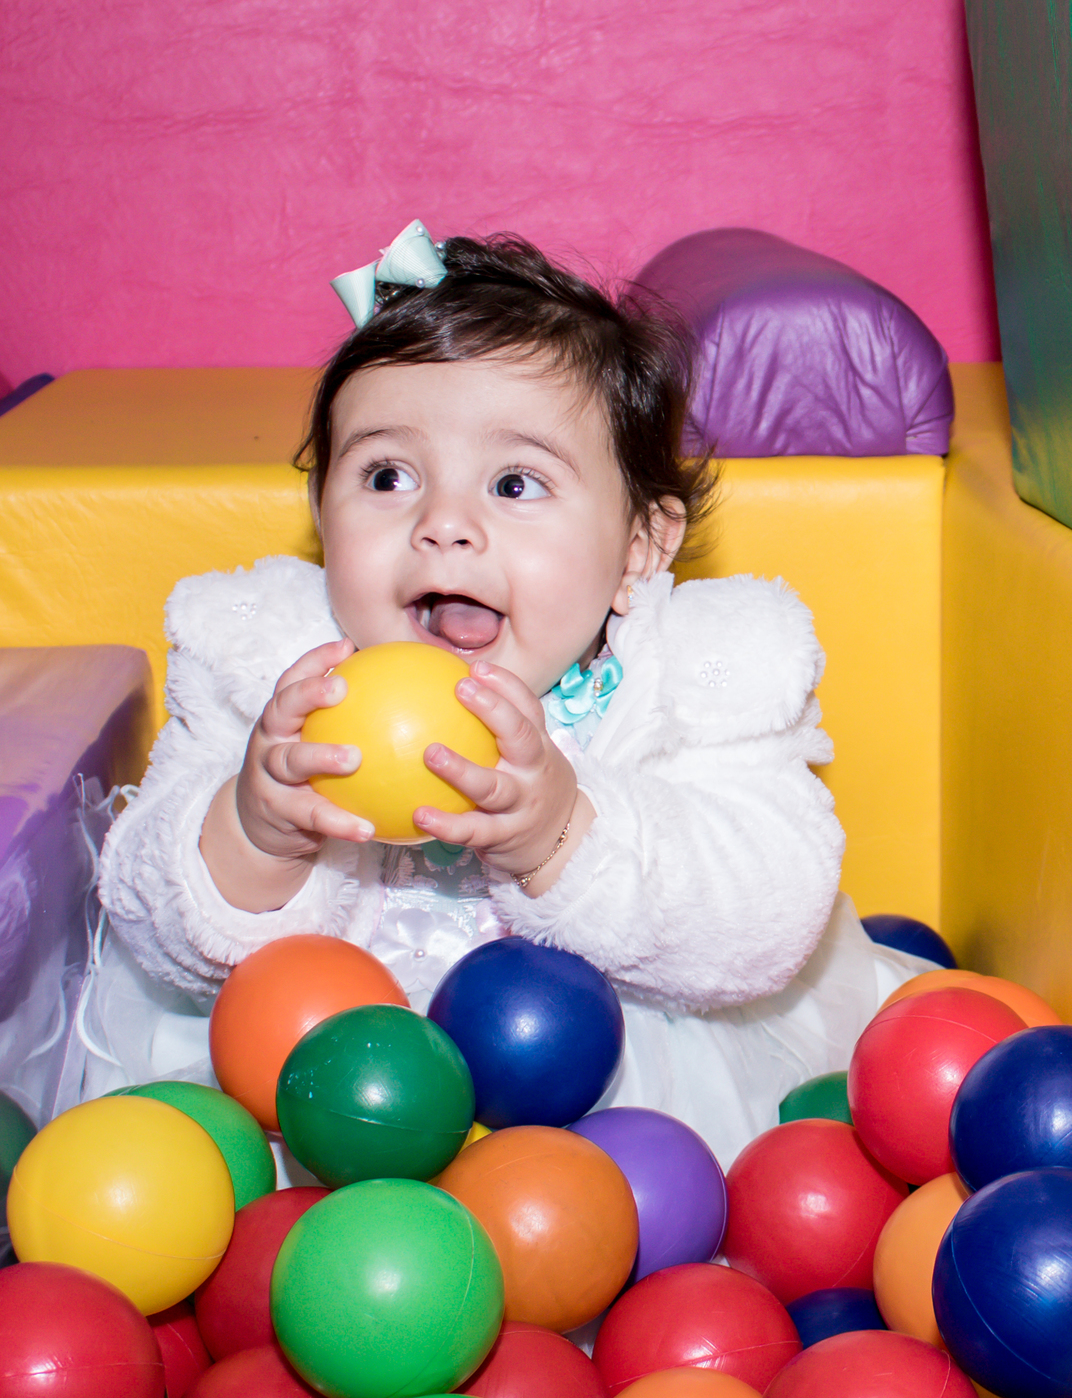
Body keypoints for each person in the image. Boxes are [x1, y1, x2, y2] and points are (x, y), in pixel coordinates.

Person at [96, 225, 926, 1166]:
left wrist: (564, 835)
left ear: (640, 548)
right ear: (322, 511)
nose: (444, 523)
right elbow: (150, 920)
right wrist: (255, 833)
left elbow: (767, 915)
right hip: (320, 1101)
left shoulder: (690, 681)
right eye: (387, 476)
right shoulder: (274, 678)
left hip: (614, 1122)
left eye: (516, 483)